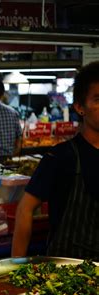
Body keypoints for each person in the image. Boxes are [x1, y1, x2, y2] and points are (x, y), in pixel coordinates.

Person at [12, 61, 99, 260]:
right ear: (80, 107)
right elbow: (25, 209)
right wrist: (15, 266)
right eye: (98, 99)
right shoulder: (61, 156)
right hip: (67, 272)